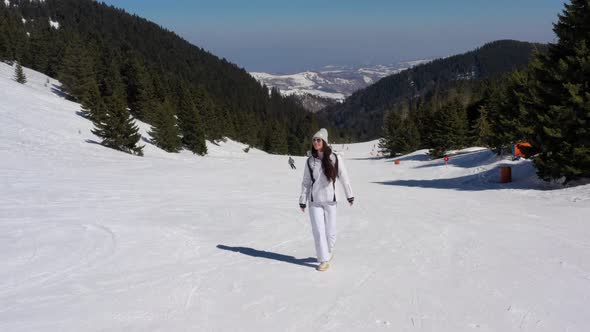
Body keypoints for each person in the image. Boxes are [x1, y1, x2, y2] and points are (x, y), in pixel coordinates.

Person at [299, 128, 354, 272]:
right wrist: (303, 199)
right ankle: (323, 260)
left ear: (324, 142)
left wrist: (349, 195)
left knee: (330, 232)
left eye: (319, 140)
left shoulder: (335, 158)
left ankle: (329, 251)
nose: (316, 142)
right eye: (314, 140)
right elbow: (306, 182)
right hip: (314, 201)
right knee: (318, 231)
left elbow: (344, 177)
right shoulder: (310, 161)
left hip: (330, 200)